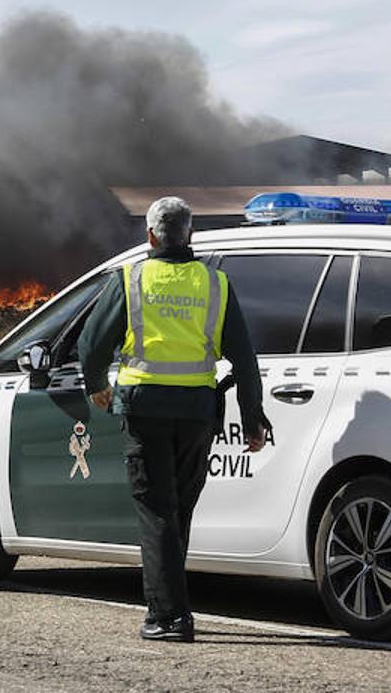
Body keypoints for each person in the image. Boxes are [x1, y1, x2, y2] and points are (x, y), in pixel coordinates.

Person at [78, 196, 266, 643]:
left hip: (145, 410)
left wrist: (95, 385)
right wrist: (253, 419)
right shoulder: (216, 284)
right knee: (177, 511)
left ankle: (169, 616)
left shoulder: (132, 277)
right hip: (197, 413)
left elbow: (91, 345)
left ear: (149, 237)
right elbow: (244, 357)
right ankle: (170, 606)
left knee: (158, 510)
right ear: (190, 236)